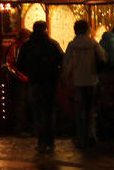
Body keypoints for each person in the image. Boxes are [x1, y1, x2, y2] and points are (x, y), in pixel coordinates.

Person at [17, 21, 64, 152]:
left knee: (38, 112)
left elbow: (20, 64)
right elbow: (61, 60)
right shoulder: (52, 44)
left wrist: (30, 73)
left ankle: (41, 141)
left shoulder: (27, 46)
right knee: (49, 112)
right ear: (45, 29)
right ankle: (51, 141)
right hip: (50, 82)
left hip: (34, 82)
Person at [61, 19, 106, 148]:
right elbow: (103, 57)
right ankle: (91, 135)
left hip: (78, 81)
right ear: (87, 29)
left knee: (79, 110)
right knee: (91, 109)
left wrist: (65, 76)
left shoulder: (72, 45)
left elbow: (67, 63)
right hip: (92, 80)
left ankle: (81, 137)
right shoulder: (93, 43)